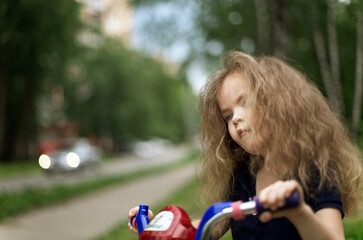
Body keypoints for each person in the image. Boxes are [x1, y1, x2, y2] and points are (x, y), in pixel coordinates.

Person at [128, 51, 362, 239]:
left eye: (245, 103)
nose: (236, 119)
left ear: (281, 104)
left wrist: (299, 213)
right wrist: (160, 227)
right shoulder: (242, 176)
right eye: (228, 116)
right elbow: (212, 225)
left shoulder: (315, 173)